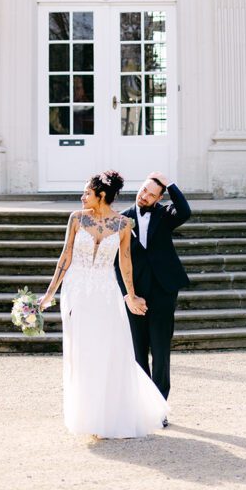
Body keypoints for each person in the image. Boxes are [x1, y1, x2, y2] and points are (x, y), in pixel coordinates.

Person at [38, 170, 167, 439]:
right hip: (78, 293)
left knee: (108, 352)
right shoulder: (76, 218)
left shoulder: (122, 224)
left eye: (87, 192)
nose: (82, 196)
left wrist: (130, 295)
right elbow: (66, 256)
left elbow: (125, 262)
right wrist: (50, 293)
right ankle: (89, 416)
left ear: (102, 195)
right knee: (83, 354)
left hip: (106, 293)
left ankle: (108, 416)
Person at [117, 172, 191, 406]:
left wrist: (170, 184)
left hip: (163, 290)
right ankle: (142, 405)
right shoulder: (122, 218)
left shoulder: (166, 214)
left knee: (160, 351)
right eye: (143, 190)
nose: (145, 196)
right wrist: (128, 295)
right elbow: (116, 262)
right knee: (138, 352)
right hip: (135, 292)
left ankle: (159, 405)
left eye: (151, 194)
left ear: (159, 198)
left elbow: (186, 211)